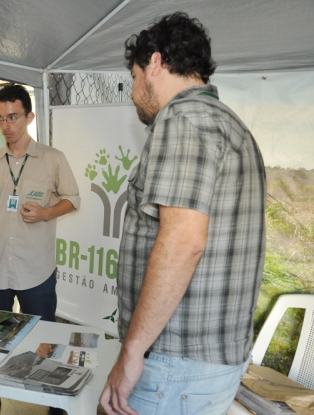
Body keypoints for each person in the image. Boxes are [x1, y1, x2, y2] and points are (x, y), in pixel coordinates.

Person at [99, 12, 267, 415]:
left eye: (135, 77)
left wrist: (132, 352)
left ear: (155, 64)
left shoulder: (183, 120)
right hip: (209, 361)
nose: (134, 91)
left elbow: (183, 242)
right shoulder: (232, 125)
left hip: (175, 361)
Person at [0, 84, 80, 415]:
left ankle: (55, 400)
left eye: (12, 117)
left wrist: (46, 212)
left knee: (45, 339)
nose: (6, 126)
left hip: (36, 269)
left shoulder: (52, 159)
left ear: (29, 116)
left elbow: (73, 199)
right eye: (0, 118)